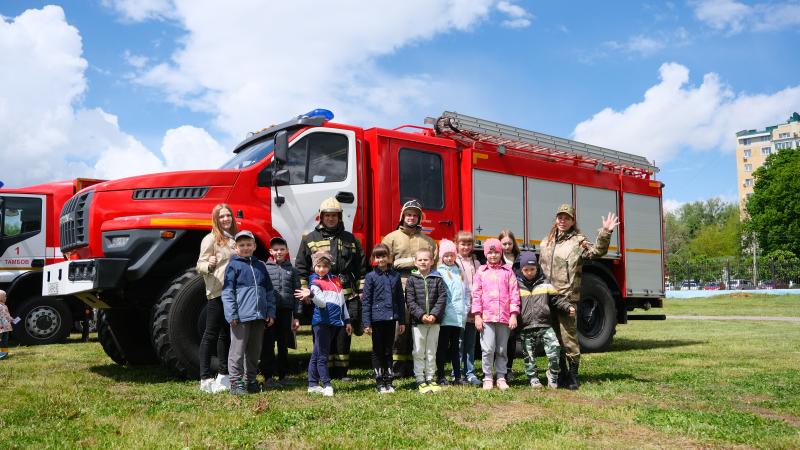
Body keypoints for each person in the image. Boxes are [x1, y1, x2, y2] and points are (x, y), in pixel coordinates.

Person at [539, 204, 618, 390]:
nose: (562, 221)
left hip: (567, 298)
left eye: (567, 218)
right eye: (560, 217)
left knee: (569, 339)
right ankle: (561, 373)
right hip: (547, 297)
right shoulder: (546, 241)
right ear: (556, 219)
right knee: (553, 339)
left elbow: (597, 252)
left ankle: (573, 376)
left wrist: (605, 232)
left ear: (573, 221)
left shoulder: (578, 241)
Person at [295, 198, 365, 380]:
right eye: (328, 215)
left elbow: (361, 268)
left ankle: (341, 372)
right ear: (321, 217)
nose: (331, 219)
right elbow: (301, 268)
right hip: (320, 295)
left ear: (339, 217)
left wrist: (362, 290)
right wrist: (305, 293)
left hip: (345, 295)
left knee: (343, 333)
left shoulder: (350, 239)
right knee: (323, 333)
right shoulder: (310, 239)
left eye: (334, 215)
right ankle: (322, 370)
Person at [382, 200, 438, 376]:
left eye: (415, 215)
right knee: (401, 325)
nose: (411, 218)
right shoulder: (391, 238)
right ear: (402, 217)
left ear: (419, 217)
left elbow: (434, 263)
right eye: (408, 214)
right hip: (400, 283)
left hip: (422, 285)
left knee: (419, 325)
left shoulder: (428, 240)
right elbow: (384, 262)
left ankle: (418, 366)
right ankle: (398, 368)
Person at [221, 230, 276, 395]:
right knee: (237, 351)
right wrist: (232, 314)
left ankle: (250, 380)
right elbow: (228, 292)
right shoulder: (233, 265)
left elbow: (269, 291)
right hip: (241, 317)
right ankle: (235, 382)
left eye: (248, 244)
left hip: (259, 316)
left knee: (254, 351)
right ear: (236, 248)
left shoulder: (260, 265)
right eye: (241, 245)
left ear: (254, 246)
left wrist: (270, 312)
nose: (245, 248)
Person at [295, 250, 353, 397]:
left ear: (330, 266)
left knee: (316, 353)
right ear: (314, 266)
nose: (321, 269)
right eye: (318, 266)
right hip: (322, 323)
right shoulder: (314, 282)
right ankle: (327, 384)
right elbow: (320, 303)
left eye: (325, 266)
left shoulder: (335, 280)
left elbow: (342, 302)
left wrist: (346, 320)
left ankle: (312, 384)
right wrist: (311, 294)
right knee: (323, 356)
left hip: (335, 322)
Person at [196, 203, 239, 393]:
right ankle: (205, 377)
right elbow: (199, 265)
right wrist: (209, 265)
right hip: (217, 292)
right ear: (216, 219)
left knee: (225, 334)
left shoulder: (235, 239)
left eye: (228, 215)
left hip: (233, 292)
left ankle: (224, 375)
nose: (225, 219)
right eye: (221, 216)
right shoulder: (210, 239)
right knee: (210, 334)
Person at [516, 251, 574, 389]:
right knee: (528, 356)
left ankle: (553, 374)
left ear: (537, 268)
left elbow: (557, 299)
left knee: (555, 349)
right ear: (521, 269)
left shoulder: (545, 284)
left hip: (544, 324)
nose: (529, 272)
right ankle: (533, 378)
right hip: (526, 326)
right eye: (526, 270)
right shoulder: (516, 286)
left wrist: (567, 306)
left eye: (532, 269)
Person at [472, 238, 520, 391]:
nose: (493, 255)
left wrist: (513, 314)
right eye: (490, 252)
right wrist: (477, 316)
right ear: (485, 254)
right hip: (486, 318)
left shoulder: (508, 272)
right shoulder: (481, 272)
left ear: (501, 253)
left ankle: (500, 376)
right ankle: (487, 377)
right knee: (487, 349)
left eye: (496, 252)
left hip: (504, 318)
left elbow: (514, 294)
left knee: (501, 349)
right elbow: (476, 294)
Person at [362, 243, 405, 393]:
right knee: (377, 350)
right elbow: (366, 301)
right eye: (377, 256)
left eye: (383, 256)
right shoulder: (370, 277)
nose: (381, 259)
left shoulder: (395, 276)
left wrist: (402, 321)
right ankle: (380, 381)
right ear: (374, 258)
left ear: (389, 258)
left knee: (388, 350)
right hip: (376, 319)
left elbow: (400, 299)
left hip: (391, 318)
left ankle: (389, 381)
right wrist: (366, 323)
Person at [260, 236, 302, 388]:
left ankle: (283, 375)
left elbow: (298, 294)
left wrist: (296, 316)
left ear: (287, 251)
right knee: (268, 344)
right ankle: (268, 376)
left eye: (282, 249)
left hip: (286, 312)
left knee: (283, 344)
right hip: (270, 313)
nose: (279, 252)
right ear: (270, 251)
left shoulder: (293, 270)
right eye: (276, 250)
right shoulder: (265, 268)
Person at [405, 248, 447, 393]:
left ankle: (430, 378)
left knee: (431, 350)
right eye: (420, 260)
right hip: (418, 322)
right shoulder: (411, 279)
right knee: (418, 350)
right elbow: (410, 300)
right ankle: (420, 379)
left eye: (426, 259)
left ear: (432, 261)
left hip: (434, 322)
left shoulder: (438, 278)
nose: (423, 262)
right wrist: (421, 315)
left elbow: (442, 298)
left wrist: (434, 315)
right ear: (415, 262)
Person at [435, 239, 468, 386]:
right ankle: (441, 375)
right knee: (442, 346)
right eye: (446, 255)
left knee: (456, 347)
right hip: (445, 317)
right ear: (442, 257)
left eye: (452, 255)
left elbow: (466, 292)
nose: (449, 258)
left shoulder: (460, 272)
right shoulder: (439, 273)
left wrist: (466, 308)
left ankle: (457, 376)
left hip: (458, 316)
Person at [455, 231, 482, 386]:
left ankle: (470, 372)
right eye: (462, 244)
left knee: (470, 342)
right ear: (457, 245)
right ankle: (456, 372)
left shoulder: (476, 263)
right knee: (458, 342)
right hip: (459, 309)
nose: (465, 247)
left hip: (473, 307)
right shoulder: (453, 261)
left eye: (468, 244)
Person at [498, 229, 522, 380]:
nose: (507, 246)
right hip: (499, 303)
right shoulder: (495, 259)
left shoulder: (520, 259)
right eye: (504, 244)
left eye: (509, 243)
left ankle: (508, 368)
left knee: (512, 337)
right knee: (500, 338)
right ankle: (498, 368)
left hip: (515, 302)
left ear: (514, 244)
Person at [0, 290, 12, 360]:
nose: (6, 297)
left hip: (5, 327)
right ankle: (2, 354)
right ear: (1, 297)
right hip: (1, 327)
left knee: (5, 340)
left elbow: (7, 315)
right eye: (5, 296)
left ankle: (4, 354)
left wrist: (11, 319)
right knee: (1, 341)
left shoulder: (5, 306)